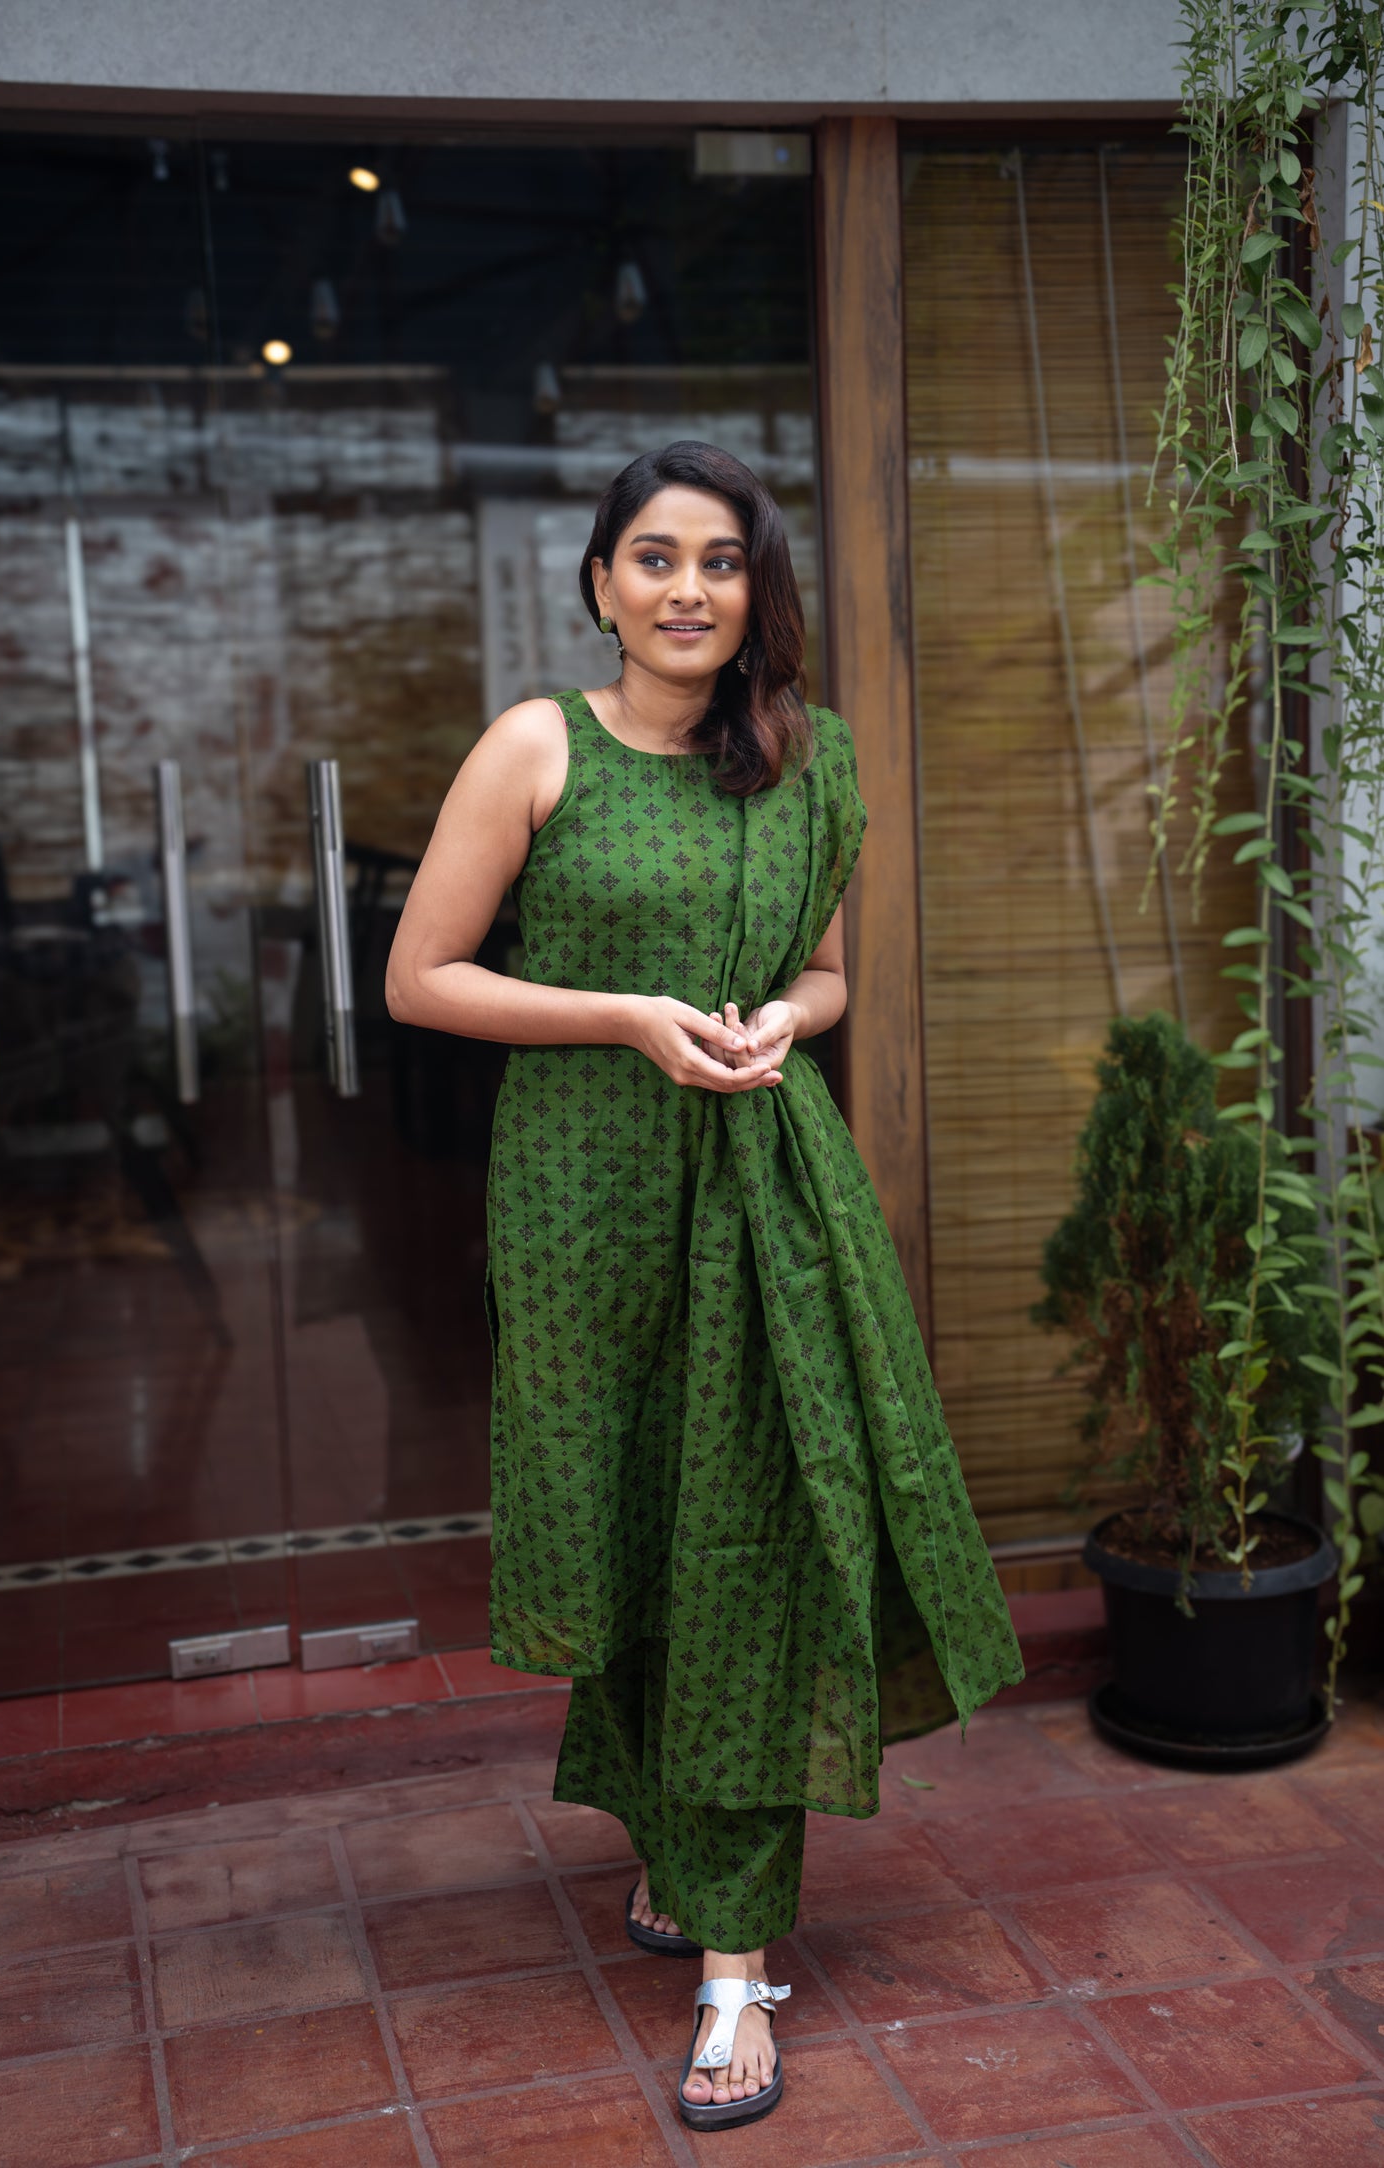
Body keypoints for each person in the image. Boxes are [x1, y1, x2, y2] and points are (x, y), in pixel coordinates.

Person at [386, 440, 1022, 2131]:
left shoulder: (809, 761)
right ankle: (673, 1839)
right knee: (625, 1517)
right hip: (581, 1197)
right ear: (599, 583)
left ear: (757, 594)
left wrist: (774, 1023)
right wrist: (627, 1018)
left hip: (761, 1181)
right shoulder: (539, 745)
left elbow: (823, 977)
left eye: (720, 561)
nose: (686, 588)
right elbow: (422, 977)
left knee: (748, 1527)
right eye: (654, 557)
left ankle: (736, 1968)